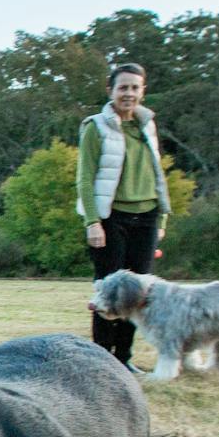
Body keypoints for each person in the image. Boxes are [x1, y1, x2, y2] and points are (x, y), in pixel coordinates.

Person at [75, 62, 169, 373]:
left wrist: (162, 220)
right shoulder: (95, 127)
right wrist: (93, 221)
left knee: (137, 294)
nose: (128, 93)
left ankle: (123, 360)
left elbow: (156, 175)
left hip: (146, 217)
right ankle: (100, 360)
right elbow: (85, 179)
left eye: (134, 87)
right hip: (110, 219)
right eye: (122, 87)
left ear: (143, 91)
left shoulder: (147, 125)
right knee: (106, 291)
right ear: (110, 90)